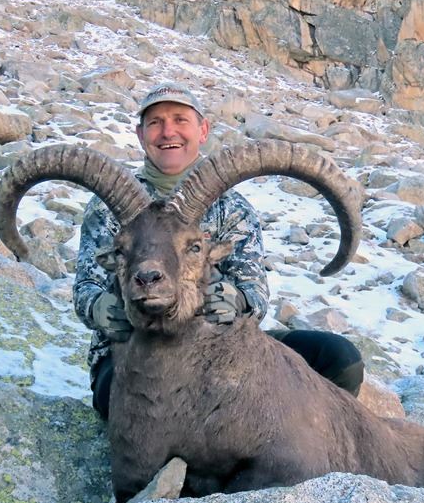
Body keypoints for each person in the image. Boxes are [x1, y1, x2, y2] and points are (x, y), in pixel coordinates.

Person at [74, 82, 365, 419]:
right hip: (134, 353)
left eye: (180, 120)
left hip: (220, 347)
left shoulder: (232, 208)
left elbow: (254, 292)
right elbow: (86, 287)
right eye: (155, 122)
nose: (168, 131)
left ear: (203, 130)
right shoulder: (109, 207)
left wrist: (237, 299)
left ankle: (316, 439)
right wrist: (99, 307)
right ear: (140, 134)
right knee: (149, 401)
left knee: (339, 360)